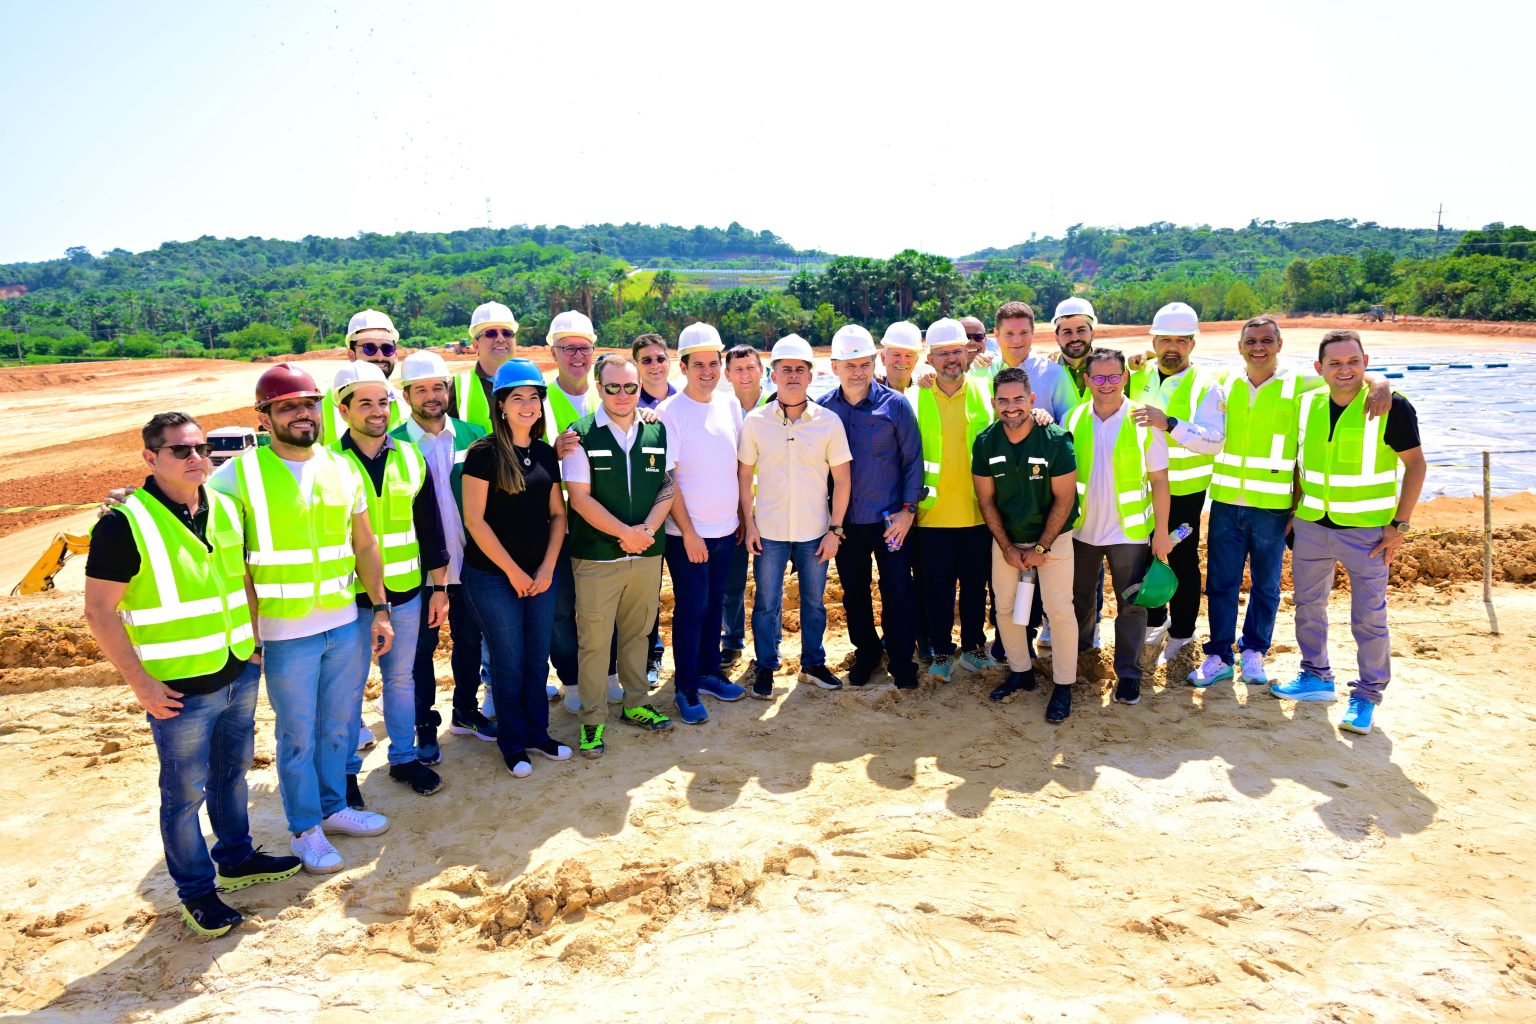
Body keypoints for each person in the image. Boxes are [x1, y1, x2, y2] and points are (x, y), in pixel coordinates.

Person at [84, 412, 300, 937]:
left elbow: (241, 579)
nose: (195, 458)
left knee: (232, 774)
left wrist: (251, 645)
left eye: (200, 448)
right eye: (180, 450)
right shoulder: (124, 524)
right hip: (178, 689)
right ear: (150, 458)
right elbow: (98, 612)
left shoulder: (224, 508)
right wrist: (141, 684)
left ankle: (237, 858)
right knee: (183, 795)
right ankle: (198, 892)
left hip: (236, 668)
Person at [214, 364, 394, 874]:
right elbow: (234, 565)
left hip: (342, 621)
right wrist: (249, 633)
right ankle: (305, 829)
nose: (302, 414)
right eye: (288, 406)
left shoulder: (341, 467)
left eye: (308, 404)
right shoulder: (236, 477)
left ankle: (335, 808)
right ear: (266, 416)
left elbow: (364, 544)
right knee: (296, 733)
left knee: (338, 724)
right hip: (283, 630)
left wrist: (380, 609)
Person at [1190, 318, 1392, 689]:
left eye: (1267, 340)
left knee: (1266, 584)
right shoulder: (1223, 382)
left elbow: (1344, 375)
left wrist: (1378, 380)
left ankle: (1254, 651)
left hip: (1273, 506)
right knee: (1221, 583)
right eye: (1251, 341)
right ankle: (1219, 655)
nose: (1258, 347)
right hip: (1224, 502)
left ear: (1279, 345)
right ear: (1239, 346)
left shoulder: (1300, 383)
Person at [1270, 330, 1425, 735]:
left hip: (1368, 534)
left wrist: (1399, 526)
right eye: (1335, 363)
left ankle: (1367, 696)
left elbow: (1416, 466)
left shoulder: (1392, 405)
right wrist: (1294, 509)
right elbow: (1300, 463)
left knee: (1369, 618)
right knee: (1307, 606)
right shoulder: (1306, 405)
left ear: (1366, 362)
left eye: (1353, 362)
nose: (1345, 370)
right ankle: (1316, 678)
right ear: (1319, 368)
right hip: (1311, 526)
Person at [330, 363, 450, 804]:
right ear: (344, 411)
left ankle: (403, 758)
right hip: (350, 597)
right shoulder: (330, 464)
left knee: (401, 680)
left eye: (383, 402)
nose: (378, 411)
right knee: (349, 687)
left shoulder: (409, 456)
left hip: (407, 592)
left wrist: (439, 588)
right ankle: (344, 774)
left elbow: (430, 527)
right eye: (365, 403)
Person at [460, 358, 573, 775]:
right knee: (507, 660)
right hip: (493, 577)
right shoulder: (484, 455)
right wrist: (513, 572)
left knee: (535, 658)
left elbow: (557, 516)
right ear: (501, 404)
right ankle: (512, 743)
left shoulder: (545, 453)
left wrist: (545, 570)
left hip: (541, 573)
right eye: (517, 398)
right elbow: (475, 520)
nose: (527, 405)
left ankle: (537, 734)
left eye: (534, 397)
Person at [562, 354, 678, 758]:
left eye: (631, 386)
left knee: (638, 633)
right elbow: (579, 498)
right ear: (599, 387)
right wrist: (624, 534)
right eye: (614, 387)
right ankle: (593, 721)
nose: (623, 394)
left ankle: (636, 703)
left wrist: (645, 531)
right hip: (597, 557)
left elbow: (667, 483)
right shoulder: (580, 435)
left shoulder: (657, 429)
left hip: (646, 552)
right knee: (594, 641)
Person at [391, 351, 495, 755]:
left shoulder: (474, 436)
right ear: (406, 395)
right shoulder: (393, 443)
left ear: (448, 390)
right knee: (420, 652)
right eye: (422, 390)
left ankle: (466, 710)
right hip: (420, 570)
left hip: (471, 561)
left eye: (438, 387)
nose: (432, 396)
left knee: (469, 642)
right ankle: (424, 724)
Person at [738, 334, 852, 699]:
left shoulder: (828, 422)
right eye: (785, 369)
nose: (792, 375)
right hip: (769, 531)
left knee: (814, 602)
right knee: (767, 603)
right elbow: (744, 476)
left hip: (814, 531)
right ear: (773, 375)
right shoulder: (755, 421)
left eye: (799, 370)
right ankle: (767, 666)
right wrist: (750, 523)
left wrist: (835, 529)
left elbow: (843, 478)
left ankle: (814, 663)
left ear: (810, 375)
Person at [816, 324, 923, 689]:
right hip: (847, 525)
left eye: (863, 364)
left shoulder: (895, 405)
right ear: (834, 367)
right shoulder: (824, 410)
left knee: (897, 590)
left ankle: (901, 658)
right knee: (854, 592)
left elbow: (912, 460)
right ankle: (867, 653)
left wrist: (908, 511)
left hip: (891, 522)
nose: (857, 372)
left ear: (873, 362)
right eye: (849, 365)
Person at [1065, 348, 1174, 708]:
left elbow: (1159, 480)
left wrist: (1160, 533)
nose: (1106, 384)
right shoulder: (1074, 418)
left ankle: (1128, 675)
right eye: (1099, 377)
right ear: (1087, 380)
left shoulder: (1142, 421)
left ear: (1125, 377)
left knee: (1132, 605)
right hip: (1082, 531)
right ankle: (1082, 657)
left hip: (1129, 533)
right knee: (1080, 599)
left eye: (1114, 376)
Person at [972, 368, 1082, 721]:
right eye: (1003, 400)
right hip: (1008, 540)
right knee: (1004, 608)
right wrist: (1006, 547)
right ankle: (1021, 672)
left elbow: (1065, 499)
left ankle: (1064, 685)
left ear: (1031, 400)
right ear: (993, 403)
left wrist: (1041, 549)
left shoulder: (1055, 440)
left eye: (1018, 399)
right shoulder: (986, 442)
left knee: (1059, 609)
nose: (1011, 407)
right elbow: (986, 501)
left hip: (1053, 539)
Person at [658, 323, 750, 724]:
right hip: (686, 537)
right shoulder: (669, 413)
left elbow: (738, 467)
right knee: (692, 609)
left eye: (714, 363)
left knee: (715, 606)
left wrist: (743, 519)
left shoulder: (729, 405)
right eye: (700, 365)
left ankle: (711, 673)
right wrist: (690, 533)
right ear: (683, 366)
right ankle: (686, 688)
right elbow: (669, 478)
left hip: (726, 531)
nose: (708, 371)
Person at [1126, 302, 1226, 667]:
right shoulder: (1139, 375)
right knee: (1144, 555)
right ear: (1153, 340)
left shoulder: (1206, 386)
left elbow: (1215, 441)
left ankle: (1182, 631)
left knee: (1179, 558)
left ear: (1192, 344)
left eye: (1180, 341)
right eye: (1164, 339)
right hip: (1141, 490)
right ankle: (1156, 619)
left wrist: (1169, 423)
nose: (1172, 347)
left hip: (1184, 493)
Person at [544, 311, 624, 713]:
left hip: (598, 521)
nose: (577, 355)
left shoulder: (605, 392)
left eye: (584, 347)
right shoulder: (537, 399)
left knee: (600, 602)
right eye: (568, 347)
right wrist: (549, 452)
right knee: (562, 609)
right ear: (553, 351)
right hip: (555, 523)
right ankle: (572, 680)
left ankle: (607, 674)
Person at [909, 318, 996, 682]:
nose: (951, 360)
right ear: (929, 357)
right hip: (932, 516)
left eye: (957, 352)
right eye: (943, 353)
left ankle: (975, 648)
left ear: (968, 352)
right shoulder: (915, 397)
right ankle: (942, 652)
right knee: (937, 589)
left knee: (976, 587)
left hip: (978, 513)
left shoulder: (984, 390)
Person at [721, 343, 769, 667]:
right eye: (738, 369)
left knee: (768, 585)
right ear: (727, 374)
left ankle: (768, 649)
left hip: (772, 509)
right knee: (732, 583)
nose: (745, 374)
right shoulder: (721, 409)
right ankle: (732, 642)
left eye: (750, 367)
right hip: (734, 511)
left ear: (762, 370)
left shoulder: (778, 405)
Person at [321, 309, 407, 443]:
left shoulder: (407, 402)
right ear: (351, 355)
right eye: (369, 348)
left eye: (387, 349)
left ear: (395, 355)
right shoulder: (323, 404)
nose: (379, 356)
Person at [450, 302, 520, 433]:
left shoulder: (532, 384)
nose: (500, 339)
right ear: (476, 345)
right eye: (491, 333)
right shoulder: (458, 388)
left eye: (507, 333)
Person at [1049, 297, 1100, 408]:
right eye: (1067, 332)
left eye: (1081, 330)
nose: (1075, 338)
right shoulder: (1046, 371)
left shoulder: (1112, 368)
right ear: (1057, 338)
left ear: (1092, 334)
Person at [633, 331, 679, 410]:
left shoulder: (684, 399)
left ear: (669, 362)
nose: (655, 365)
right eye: (647, 360)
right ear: (636, 367)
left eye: (660, 359)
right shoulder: (630, 407)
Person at [878, 320, 923, 394]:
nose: (902, 361)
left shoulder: (926, 390)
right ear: (883, 358)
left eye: (908, 355)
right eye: (896, 355)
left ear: (916, 360)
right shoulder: (870, 393)